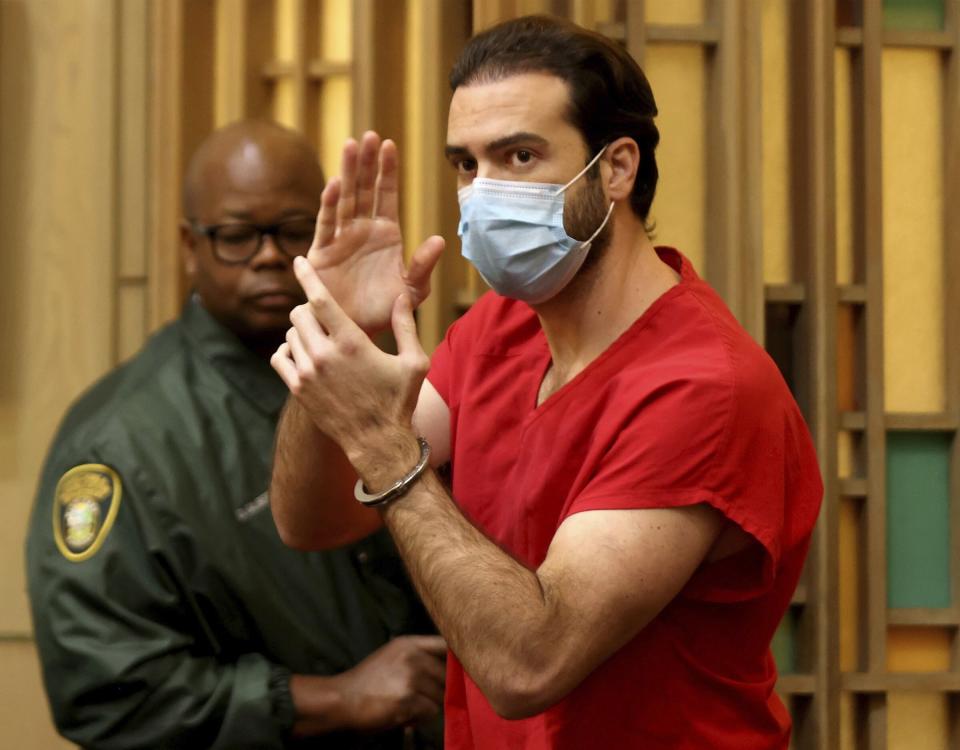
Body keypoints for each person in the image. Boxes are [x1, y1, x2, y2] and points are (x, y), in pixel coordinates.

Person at [269, 15, 823, 750]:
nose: (484, 193)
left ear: (617, 168)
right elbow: (314, 520)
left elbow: (531, 663)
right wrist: (342, 333)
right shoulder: (499, 330)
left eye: (520, 155)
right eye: (467, 165)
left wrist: (380, 441)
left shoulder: (703, 388)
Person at [25, 120, 445, 750]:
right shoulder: (120, 442)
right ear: (190, 246)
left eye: (293, 230)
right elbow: (102, 688)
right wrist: (334, 699)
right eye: (238, 236)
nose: (270, 255)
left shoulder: (391, 375)